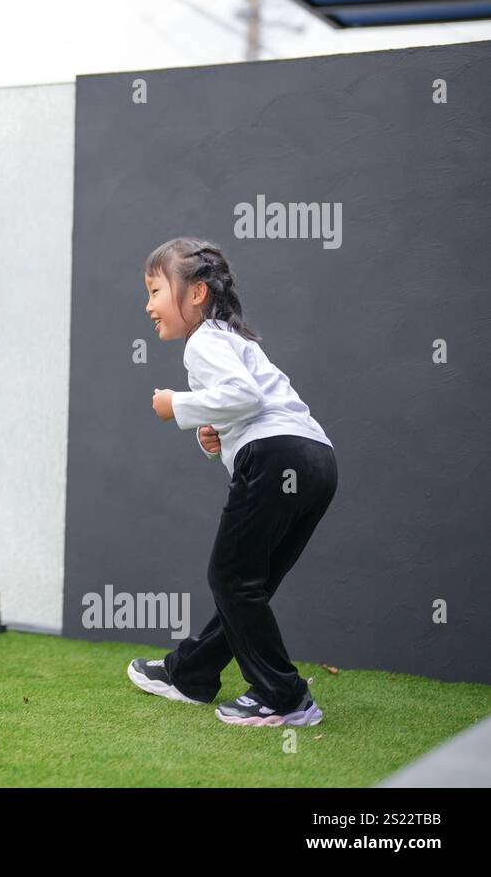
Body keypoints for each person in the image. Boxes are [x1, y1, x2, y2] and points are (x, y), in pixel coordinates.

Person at [126, 236, 338, 727]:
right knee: (249, 584)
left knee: (231, 579)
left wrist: (175, 405)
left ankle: (284, 697)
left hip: (276, 454)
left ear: (195, 294)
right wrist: (214, 435)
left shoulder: (202, 343)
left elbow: (240, 396)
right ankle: (191, 673)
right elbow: (245, 406)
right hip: (315, 459)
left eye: (156, 291)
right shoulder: (233, 340)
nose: (148, 305)